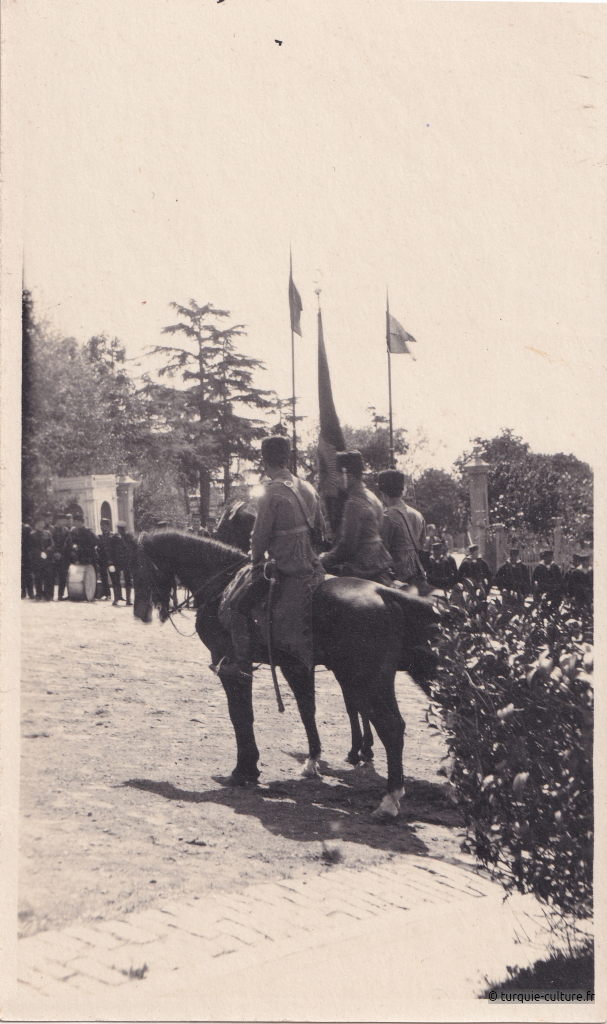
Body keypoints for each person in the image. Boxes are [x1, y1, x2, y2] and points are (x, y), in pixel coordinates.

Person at [220, 435, 325, 684]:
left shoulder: (271, 491)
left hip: (285, 565)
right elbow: (320, 530)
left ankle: (242, 665)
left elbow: (260, 535)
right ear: (287, 458)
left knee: (238, 605)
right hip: (312, 564)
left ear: (264, 459)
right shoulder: (308, 487)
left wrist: (255, 559)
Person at [320, 451, 393, 584]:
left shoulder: (353, 503)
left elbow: (347, 546)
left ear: (347, 475)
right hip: (380, 561)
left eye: (337, 475)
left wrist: (323, 559)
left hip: (362, 566)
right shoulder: (372, 496)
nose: (336, 480)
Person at [377, 468, 426, 584]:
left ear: (383, 493)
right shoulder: (418, 515)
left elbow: (381, 552)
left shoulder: (387, 516)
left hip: (397, 578)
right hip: (418, 574)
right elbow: (422, 544)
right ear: (401, 490)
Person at [109, 521, 136, 606]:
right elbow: (111, 550)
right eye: (120, 529)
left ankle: (127, 600)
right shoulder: (115, 537)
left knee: (126, 580)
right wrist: (111, 560)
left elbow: (133, 548)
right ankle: (117, 599)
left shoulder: (128, 537)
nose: (120, 530)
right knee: (116, 580)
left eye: (121, 529)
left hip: (126, 561)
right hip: (118, 561)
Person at [30, 514, 55, 600]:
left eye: (42, 523)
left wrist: (47, 551)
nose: (41, 525)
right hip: (37, 559)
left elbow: (52, 544)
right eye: (39, 523)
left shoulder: (47, 533)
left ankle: (47, 594)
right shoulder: (32, 535)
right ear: (35, 524)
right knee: (38, 577)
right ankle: (39, 594)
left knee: (48, 577)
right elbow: (31, 547)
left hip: (47, 559)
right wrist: (39, 553)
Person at [51, 510, 72, 600]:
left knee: (63, 576)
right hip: (53, 556)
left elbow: (68, 543)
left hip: (63, 557)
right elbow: (50, 542)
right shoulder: (51, 530)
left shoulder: (66, 530)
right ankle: (50, 594)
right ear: (58, 520)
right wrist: (55, 552)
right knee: (52, 576)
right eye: (62, 520)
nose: (64, 522)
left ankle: (60, 595)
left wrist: (62, 554)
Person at [97, 518, 114, 600]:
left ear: (108, 526)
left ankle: (117, 595)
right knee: (104, 577)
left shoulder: (112, 536)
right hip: (102, 560)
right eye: (101, 525)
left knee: (114, 577)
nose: (102, 527)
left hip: (111, 560)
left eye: (104, 525)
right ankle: (107, 594)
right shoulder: (99, 536)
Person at [21, 522, 35, 599]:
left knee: (28, 574)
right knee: (22, 574)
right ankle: (23, 592)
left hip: (27, 555)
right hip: (21, 554)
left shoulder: (26, 528)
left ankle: (30, 592)